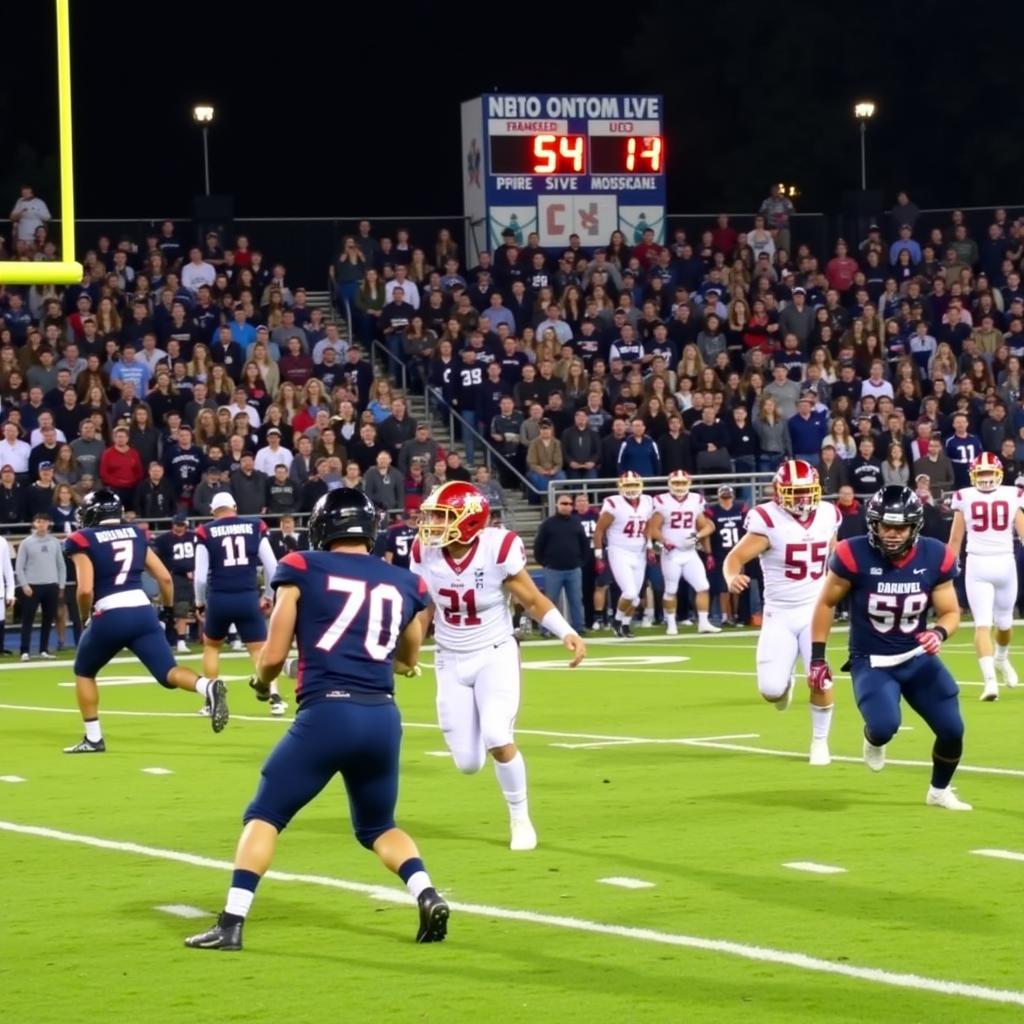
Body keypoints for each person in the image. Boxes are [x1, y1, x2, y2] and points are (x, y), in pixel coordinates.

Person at [184, 489, 449, 951]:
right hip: (382, 716)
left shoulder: (303, 566)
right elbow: (408, 657)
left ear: (323, 526)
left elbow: (271, 654)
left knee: (265, 814)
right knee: (378, 826)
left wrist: (265, 684)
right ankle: (426, 892)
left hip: (327, 712)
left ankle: (231, 923)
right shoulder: (405, 581)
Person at [411, 481, 586, 850]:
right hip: (448, 656)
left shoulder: (497, 548)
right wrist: (405, 652)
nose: (433, 524)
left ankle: (520, 818)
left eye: (443, 516)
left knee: (497, 734)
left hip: (494, 651)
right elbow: (422, 608)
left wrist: (565, 631)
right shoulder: (424, 550)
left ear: (469, 521)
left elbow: (532, 599)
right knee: (468, 763)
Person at [810, 486, 971, 810]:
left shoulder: (935, 555)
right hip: (872, 661)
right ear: (874, 524)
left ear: (914, 526)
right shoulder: (852, 554)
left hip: (917, 658)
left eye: (900, 527)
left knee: (953, 729)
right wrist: (817, 657)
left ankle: (939, 790)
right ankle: (872, 739)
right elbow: (826, 603)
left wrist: (939, 633)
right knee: (884, 727)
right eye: (886, 526)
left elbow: (951, 612)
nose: (893, 534)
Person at [62, 490, 227, 753]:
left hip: (110, 612)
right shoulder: (137, 533)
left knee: (84, 671)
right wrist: (169, 608)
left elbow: (84, 590)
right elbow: (164, 577)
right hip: (141, 610)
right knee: (168, 672)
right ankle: (206, 686)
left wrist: (85, 616)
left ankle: (93, 738)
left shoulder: (81, 538)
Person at [723, 460, 841, 766]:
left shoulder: (828, 514)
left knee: (821, 678)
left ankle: (819, 743)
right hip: (780, 613)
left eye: (806, 492)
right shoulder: (766, 520)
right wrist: (731, 577)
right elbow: (734, 557)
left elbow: (834, 549)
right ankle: (784, 684)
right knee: (771, 691)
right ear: (779, 492)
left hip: (816, 611)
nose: (802, 499)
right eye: (794, 492)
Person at [194, 493, 284, 715]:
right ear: (234, 507)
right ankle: (274, 696)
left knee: (212, 646)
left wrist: (200, 603)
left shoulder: (205, 531)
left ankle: (210, 700)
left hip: (219, 598)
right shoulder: (255, 526)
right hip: (247, 597)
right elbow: (273, 566)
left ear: (213, 511)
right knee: (259, 650)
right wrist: (269, 595)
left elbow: (200, 578)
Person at [947, 452, 1024, 701]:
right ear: (973, 475)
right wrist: (948, 568)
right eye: (982, 473)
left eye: (990, 473)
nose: (987, 478)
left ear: (999, 474)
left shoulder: (1013, 494)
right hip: (978, 563)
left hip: (1004, 562)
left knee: (1004, 624)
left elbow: (1022, 531)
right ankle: (990, 680)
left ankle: (1001, 659)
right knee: (982, 623)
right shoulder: (965, 496)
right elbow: (956, 538)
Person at [647, 471, 719, 635]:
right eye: (676, 483)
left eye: (682, 483)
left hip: (690, 552)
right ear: (670, 484)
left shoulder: (695, 500)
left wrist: (696, 537)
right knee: (671, 589)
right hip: (671, 553)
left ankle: (704, 622)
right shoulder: (662, 501)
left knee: (703, 586)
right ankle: (671, 624)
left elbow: (707, 526)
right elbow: (653, 528)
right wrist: (665, 541)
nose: (679, 487)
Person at [532, 493, 589, 636]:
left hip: (573, 569)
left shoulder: (576, 523)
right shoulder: (548, 524)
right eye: (564, 503)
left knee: (576, 600)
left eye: (570, 504)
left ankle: (579, 628)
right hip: (553, 570)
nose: (567, 506)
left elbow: (584, 545)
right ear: (557, 505)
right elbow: (539, 546)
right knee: (549, 602)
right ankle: (546, 629)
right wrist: (544, 563)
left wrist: (580, 562)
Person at [15, 512, 66, 660]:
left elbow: (61, 566)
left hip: (51, 585)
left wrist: (61, 585)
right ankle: (24, 651)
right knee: (27, 619)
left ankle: (44, 649)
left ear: (49, 523)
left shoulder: (55, 542)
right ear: (34, 524)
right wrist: (24, 585)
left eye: (44, 521)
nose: (41, 524)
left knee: (48, 619)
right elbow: (19, 566)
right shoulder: (26, 542)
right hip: (32, 586)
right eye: (38, 521)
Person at [153, 512, 198, 653]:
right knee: (180, 609)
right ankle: (180, 640)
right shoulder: (164, 540)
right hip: (176, 578)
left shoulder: (193, 537)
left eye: (182, 525)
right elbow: (158, 560)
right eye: (178, 525)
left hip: (195, 577)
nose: (180, 528)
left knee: (200, 607)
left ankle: (230, 637)